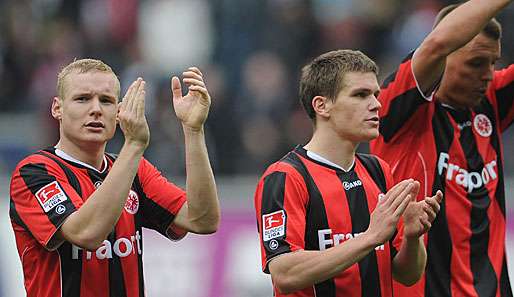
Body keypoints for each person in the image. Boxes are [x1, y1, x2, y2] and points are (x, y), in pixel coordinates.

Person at [9, 59, 220, 297]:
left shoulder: (135, 168)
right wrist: (134, 144)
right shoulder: (34, 172)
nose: (96, 109)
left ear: (118, 112)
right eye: (82, 99)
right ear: (57, 108)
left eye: (106, 101)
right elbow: (86, 233)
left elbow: (203, 220)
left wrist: (193, 131)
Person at [254, 49, 443, 297]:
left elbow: (407, 274)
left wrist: (411, 236)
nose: (376, 104)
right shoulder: (286, 177)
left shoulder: (377, 171)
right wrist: (370, 237)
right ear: (322, 106)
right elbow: (285, 274)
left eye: (375, 94)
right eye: (360, 95)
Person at [369, 0, 513, 296]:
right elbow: (437, 42)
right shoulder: (401, 108)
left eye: (493, 63)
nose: (487, 74)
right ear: (444, 58)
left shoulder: (490, 101)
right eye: (476, 63)